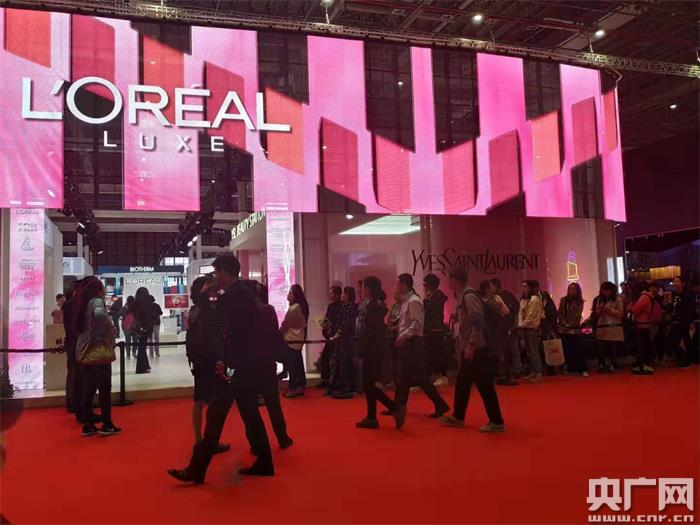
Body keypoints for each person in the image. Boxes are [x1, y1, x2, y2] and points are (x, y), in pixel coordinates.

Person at [168, 253, 274, 484]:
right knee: (248, 413)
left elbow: (213, 318)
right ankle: (264, 461)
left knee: (217, 414)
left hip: (237, 368)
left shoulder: (236, 295)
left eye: (217, 272)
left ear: (225, 272)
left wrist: (204, 296)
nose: (215, 277)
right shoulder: (241, 294)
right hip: (241, 365)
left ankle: (197, 469)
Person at [442, 267, 504, 432]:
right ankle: (458, 416)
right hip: (473, 346)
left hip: (477, 347)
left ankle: (496, 421)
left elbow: (478, 322)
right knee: (464, 382)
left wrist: (470, 345)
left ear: (454, 280)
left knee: (483, 384)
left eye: (449, 278)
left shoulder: (468, 297)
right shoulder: (465, 295)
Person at [243, 280, 294, 450]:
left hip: (248, 365)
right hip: (266, 362)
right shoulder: (268, 310)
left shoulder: (241, 313)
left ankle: (255, 444)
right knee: (273, 404)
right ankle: (282, 437)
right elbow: (274, 336)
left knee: (250, 408)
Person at [392, 274, 449, 421]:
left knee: (419, 377)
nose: (396, 287)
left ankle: (439, 404)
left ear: (404, 285)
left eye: (398, 284)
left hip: (413, 343)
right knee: (404, 377)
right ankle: (398, 407)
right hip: (410, 342)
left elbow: (417, 324)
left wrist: (403, 335)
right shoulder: (408, 301)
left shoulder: (413, 301)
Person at [186, 276, 230, 454]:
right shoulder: (202, 310)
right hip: (207, 360)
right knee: (207, 401)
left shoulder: (198, 310)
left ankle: (203, 440)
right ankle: (204, 440)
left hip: (203, 360)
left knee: (204, 401)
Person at [74, 277, 120, 437]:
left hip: (85, 353)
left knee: (88, 390)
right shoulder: (97, 302)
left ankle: (88, 425)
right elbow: (100, 314)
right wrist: (110, 327)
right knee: (104, 389)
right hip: (99, 351)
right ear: (99, 291)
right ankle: (107, 424)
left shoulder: (83, 304)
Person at [355, 277, 403, 429]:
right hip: (371, 348)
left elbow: (370, 331)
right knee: (368, 384)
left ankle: (393, 408)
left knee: (368, 385)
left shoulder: (373, 306)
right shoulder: (372, 305)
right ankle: (372, 417)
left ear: (368, 288)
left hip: (371, 350)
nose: (361, 290)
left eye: (363, 287)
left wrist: (360, 349)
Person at [478, 280, 514, 386]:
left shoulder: (497, 298)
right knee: (494, 354)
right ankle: (496, 376)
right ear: (487, 289)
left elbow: (506, 312)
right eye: (492, 286)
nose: (494, 288)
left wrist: (500, 306)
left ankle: (503, 376)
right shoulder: (481, 301)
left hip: (501, 329)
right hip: (489, 331)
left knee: (503, 352)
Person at [280, 284, 309, 398]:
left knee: (293, 364)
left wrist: (279, 333)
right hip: (298, 337)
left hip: (292, 338)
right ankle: (300, 385)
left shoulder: (294, 308)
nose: (288, 294)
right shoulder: (300, 306)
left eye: (290, 293)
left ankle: (294, 387)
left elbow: (286, 324)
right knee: (297, 362)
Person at [331, 287, 359, 399]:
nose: (341, 295)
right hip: (342, 338)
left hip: (348, 338)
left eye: (343, 293)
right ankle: (340, 386)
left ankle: (347, 387)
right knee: (340, 362)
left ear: (347, 295)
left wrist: (337, 334)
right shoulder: (343, 307)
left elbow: (346, 324)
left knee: (346, 363)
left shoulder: (351, 307)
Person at [491, 278, 522, 383]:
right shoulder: (493, 298)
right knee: (502, 351)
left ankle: (517, 370)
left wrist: (515, 324)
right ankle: (503, 372)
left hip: (510, 326)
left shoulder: (507, 295)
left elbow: (516, 310)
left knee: (513, 349)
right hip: (499, 329)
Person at [591, 282, 625, 373]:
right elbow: (595, 313)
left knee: (613, 346)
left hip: (614, 326)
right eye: (603, 290)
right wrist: (599, 311)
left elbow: (621, 314)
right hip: (602, 325)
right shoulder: (599, 299)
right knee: (601, 346)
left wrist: (610, 310)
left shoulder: (618, 299)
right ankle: (602, 364)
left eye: (607, 290)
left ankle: (613, 364)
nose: (605, 292)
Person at [422, 273, 449, 386]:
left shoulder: (438, 296)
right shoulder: (432, 296)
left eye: (425, 285)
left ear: (430, 285)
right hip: (430, 329)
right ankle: (433, 375)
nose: (424, 287)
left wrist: (426, 301)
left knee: (438, 353)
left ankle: (442, 375)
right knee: (430, 354)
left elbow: (430, 309)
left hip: (436, 330)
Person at [628, 281, 658, 375]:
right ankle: (645, 365)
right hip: (646, 324)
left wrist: (630, 307)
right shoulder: (648, 296)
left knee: (643, 346)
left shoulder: (644, 297)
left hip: (643, 325)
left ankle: (645, 365)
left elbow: (635, 310)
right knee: (646, 345)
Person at [558, 283, 587, 376]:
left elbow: (578, 314)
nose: (571, 290)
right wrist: (564, 322)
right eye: (570, 288)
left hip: (575, 327)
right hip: (564, 327)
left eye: (573, 289)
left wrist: (570, 324)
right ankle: (571, 368)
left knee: (578, 348)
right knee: (567, 348)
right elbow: (560, 312)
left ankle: (582, 369)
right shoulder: (563, 300)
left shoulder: (580, 301)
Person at [518, 280, 545, 382]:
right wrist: (520, 324)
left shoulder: (535, 299)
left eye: (525, 287)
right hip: (525, 328)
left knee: (534, 352)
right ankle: (533, 371)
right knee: (528, 352)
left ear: (530, 288)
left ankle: (538, 373)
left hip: (533, 328)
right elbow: (520, 313)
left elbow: (531, 315)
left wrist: (522, 325)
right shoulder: (523, 300)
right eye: (522, 287)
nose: (523, 289)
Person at [318, 286, 343, 388]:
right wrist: (324, 324)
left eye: (332, 293)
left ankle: (334, 380)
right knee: (325, 357)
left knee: (335, 358)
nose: (330, 295)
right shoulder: (331, 306)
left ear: (337, 294)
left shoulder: (341, 307)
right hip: (330, 334)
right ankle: (326, 379)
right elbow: (327, 318)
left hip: (337, 335)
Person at [670, 276, 697, 368]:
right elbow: (671, 307)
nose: (675, 284)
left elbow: (691, 309)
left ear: (683, 283)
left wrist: (691, 320)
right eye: (674, 282)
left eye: (677, 281)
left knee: (686, 339)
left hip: (685, 320)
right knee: (676, 339)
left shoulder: (688, 295)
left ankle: (687, 359)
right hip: (674, 320)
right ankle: (679, 358)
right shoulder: (672, 295)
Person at [133, 288, 153, 374]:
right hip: (145, 328)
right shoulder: (147, 304)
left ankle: (145, 366)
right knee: (142, 348)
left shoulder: (135, 303)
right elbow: (148, 317)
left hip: (138, 328)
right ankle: (140, 368)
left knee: (141, 347)